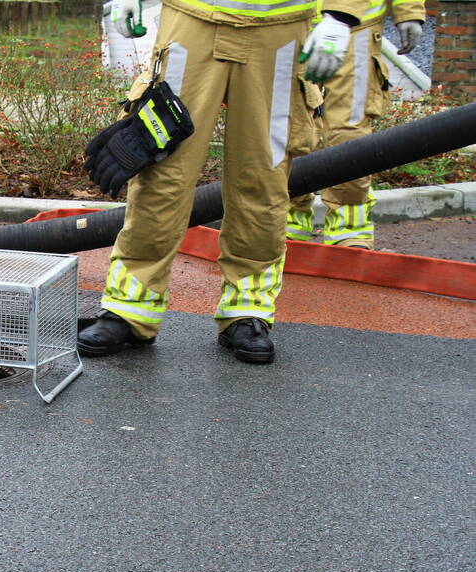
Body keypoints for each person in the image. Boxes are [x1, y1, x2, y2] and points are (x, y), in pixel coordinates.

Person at [78, 0, 368, 364]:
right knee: (162, 174)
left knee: (262, 180)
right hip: (192, 18)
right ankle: (129, 308)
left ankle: (246, 310)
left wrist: (340, 14)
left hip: (279, 30)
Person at [286, 1, 426, 249]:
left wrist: (409, 10)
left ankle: (349, 229)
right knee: (288, 130)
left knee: (349, 135)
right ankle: (285, 221)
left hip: (357, 25)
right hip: (287, 22)